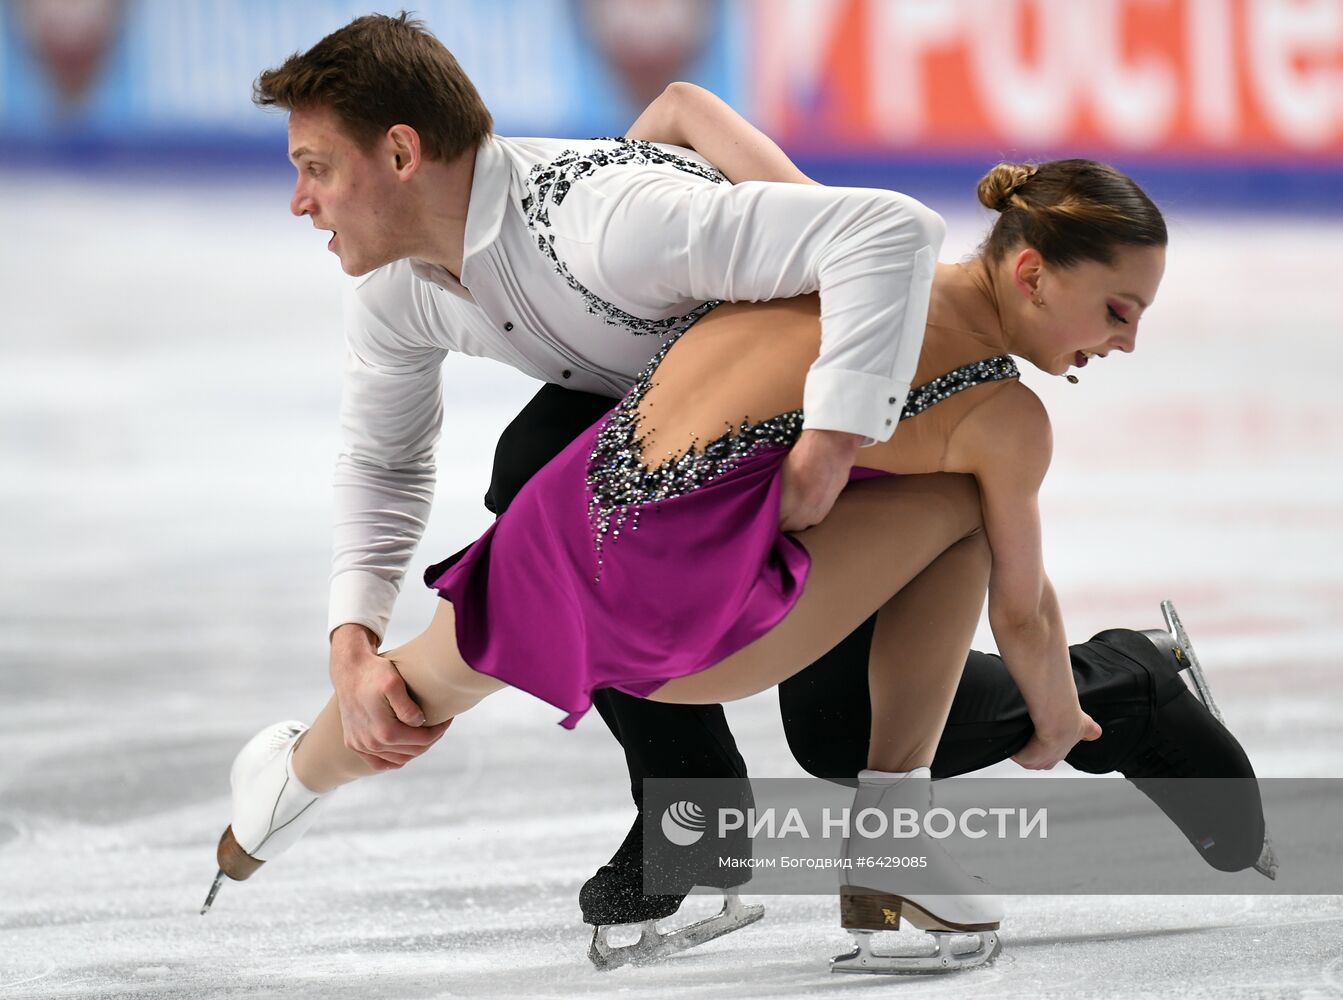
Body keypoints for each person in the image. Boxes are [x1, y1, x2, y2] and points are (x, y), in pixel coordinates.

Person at [206, 14, 1271, 974]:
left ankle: (274, 795)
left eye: (313, 168)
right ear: (1031, 271)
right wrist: (827, 446)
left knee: (446, 674)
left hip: (581, 517)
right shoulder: (989, 408)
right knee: (955, 516)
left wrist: (822, 406)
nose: (1125, 344)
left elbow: (770, 178)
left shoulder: (661, 225)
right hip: (693, 561)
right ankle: (825, 817)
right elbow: (867, 220)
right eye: (1116, 313)